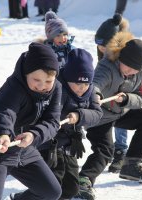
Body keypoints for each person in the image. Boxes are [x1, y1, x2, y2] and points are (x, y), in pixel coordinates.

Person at [0, 42, 62, 200]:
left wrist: (34, 135)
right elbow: (5, 110)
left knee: (50, 191)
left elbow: (52, 121)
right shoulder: (14, 86)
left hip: (22, 143)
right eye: (36, 79)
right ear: (25, 73)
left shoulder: (56, 88)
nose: (42, 86)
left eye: (48, 81)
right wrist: (3, 133)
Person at [75, 36, 142, 200]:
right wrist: (96, 95)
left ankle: (131, 165)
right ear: (121, 59)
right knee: (105, 151)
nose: (130, 72)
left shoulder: (139, 72)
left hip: (120, 111)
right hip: (99, 115)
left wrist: (127, 98)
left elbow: (141, 97)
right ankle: (83, 180)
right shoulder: (107, 66)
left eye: (135, 70)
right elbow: (95, 84)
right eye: (128, 67)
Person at [38, 48, 103, 200]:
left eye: (86, 84)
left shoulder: (91, 91)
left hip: (70, 143)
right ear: (67, 78)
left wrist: (79, 115)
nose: (82, 88)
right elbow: (49, 114)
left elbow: (97, 114)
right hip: (50, 143)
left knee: (71, 188)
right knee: (54, 184)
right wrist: (63, 117)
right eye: (77, 83)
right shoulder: (57, 87)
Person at [94, 13, 130, 173]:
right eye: (99, 45)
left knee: (121, 119)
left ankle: (121, 150)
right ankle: (108, 150)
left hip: (122, 93)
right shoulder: (103, 52)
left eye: (103, 45)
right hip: (107, 93)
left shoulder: (124, 53)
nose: (100, 48)